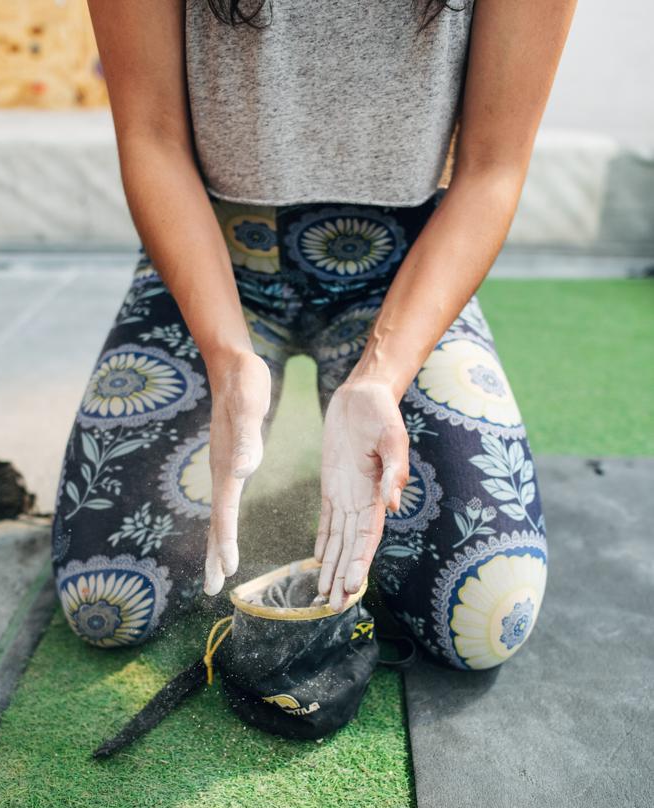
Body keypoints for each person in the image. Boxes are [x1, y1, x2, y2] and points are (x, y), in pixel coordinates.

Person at [51, 0, 577, 671]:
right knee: (106, 599)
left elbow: (493, 169)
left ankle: (360, 403)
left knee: (483, 623)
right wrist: (224, 355)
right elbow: (152, 137)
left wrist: (381, 377)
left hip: (398, 271)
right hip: (219, 254)